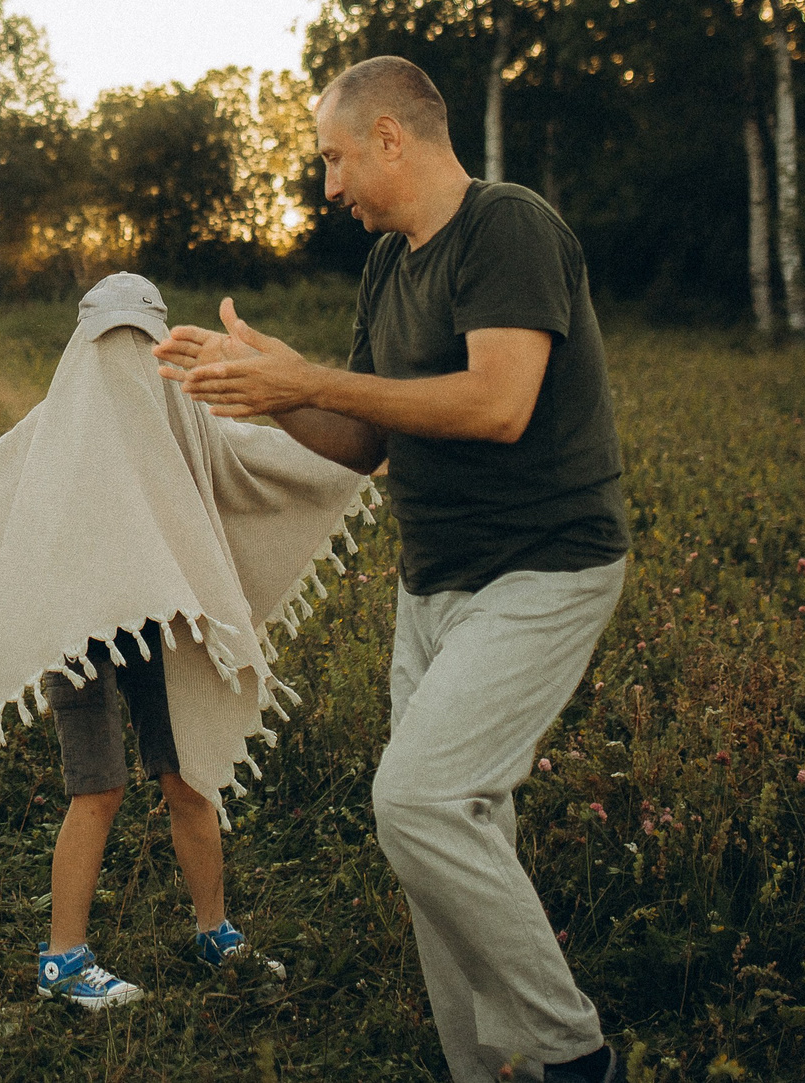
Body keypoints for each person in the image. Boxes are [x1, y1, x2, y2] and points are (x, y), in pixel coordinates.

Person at [155, 56, 630, 1083]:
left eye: (333, 159)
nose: (328, 188)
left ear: (388, 137)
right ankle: (490, 1068)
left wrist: (309, 374)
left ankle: (571, 1055)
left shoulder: (506, 226)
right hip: (435, 583)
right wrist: (265, 388)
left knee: (414, 803)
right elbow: (362, 442)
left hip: (541, 569)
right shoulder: (389, 265)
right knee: (451, 838)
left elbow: (497, 406)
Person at [0, 273, 369, 1014]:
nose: (122, 358)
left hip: (166, 623)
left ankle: (214, 931)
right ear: (84, 345)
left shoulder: (180, 416)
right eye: (108, 343)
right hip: (78, 627)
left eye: (137, 342)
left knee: (190, 779)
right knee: (98, 787)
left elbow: (257, 458)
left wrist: (375, 453)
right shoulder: (58, 425)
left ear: (160, 342)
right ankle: (63, 959)